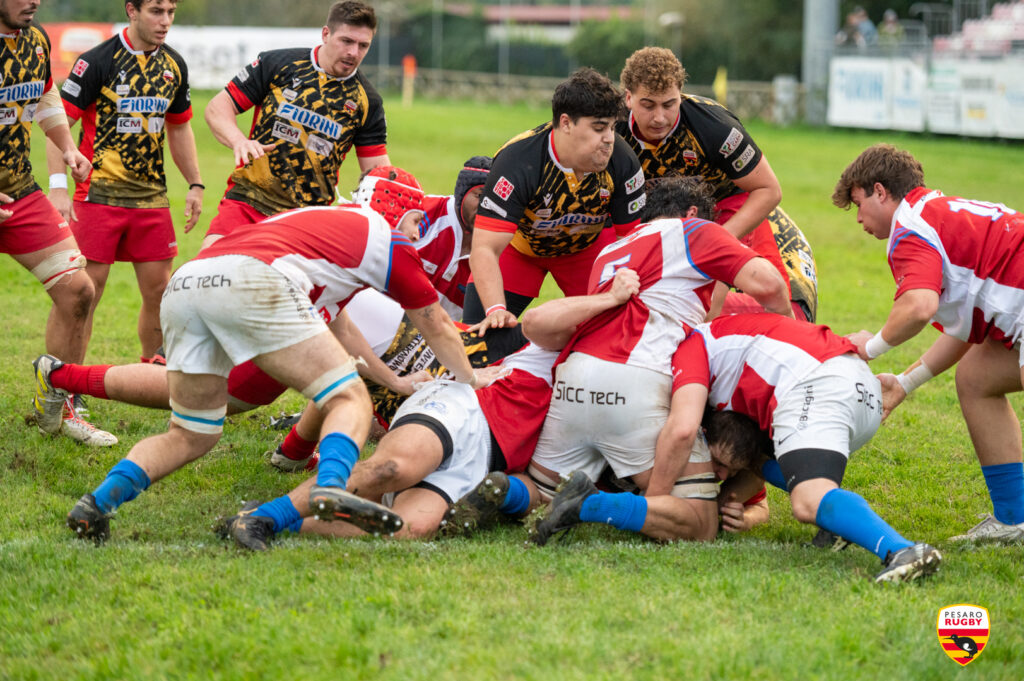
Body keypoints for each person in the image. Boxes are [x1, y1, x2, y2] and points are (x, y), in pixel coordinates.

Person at [64, 168, 491, 543]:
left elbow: (341, 327)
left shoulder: (330, 224)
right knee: (347, 398)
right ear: (399, 210)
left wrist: (394, 382)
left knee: (192, 433)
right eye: (417, 220)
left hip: (189, 282)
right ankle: (331, 487)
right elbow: (434, 323)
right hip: (253, 281)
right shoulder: (390, 242)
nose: (418, 232)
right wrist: (471, 381)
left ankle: (95, 505)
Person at [216, 270, 641, 550]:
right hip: (466, 407)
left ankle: (265, 519)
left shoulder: (632, 386)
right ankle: (271, 513)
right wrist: (610, 299)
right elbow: (537, 321)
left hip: (489, 458)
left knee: (408, 528)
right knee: (392, 469)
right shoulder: (576, 336)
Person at [525, 175, 791, 514]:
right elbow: (769, 284)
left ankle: (508, 493)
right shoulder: (693, 230)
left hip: (573, 383)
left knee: (539, 495)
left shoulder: (610, 250)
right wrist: (789, 333)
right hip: (638, 382)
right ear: (693, 213)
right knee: (699, 516)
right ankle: (609, 506)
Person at [833, 143, 1024, 544]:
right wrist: (905, 382)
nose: (859, 220)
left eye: (858, 203)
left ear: (880, 191)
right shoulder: (933, 211)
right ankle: (1014, 519)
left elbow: (919, 306)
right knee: (977, 377)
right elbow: (964, 331)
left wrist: (870, 348)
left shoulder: (910, 229)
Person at [663, 313, 941, 582]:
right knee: (756, 455)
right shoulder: (726, 341)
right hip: (859, 389)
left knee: (808, 500)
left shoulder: (693, 345)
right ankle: (840, 522)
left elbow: (684, 430)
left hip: (821, 385)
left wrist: (655, 504)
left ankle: (903, 549)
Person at [47, 0, 202, 368]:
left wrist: (195, 184)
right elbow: (56, 125)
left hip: (151, 200)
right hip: (98, 195)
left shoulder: (173, 64)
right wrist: (58, 188)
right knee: (84, 295)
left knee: (161, 293)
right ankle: (64, 382)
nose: (165, 21)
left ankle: (151, 375)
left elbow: (179, 127)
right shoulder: (96, 61)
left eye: (170, 12)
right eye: (156, 11)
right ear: (132, 10)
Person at [618, 47, 817, 322]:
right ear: (628, 98)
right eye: (648, 105)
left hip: (728, 205)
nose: (659, 117)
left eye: (669, 104)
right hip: (657, 213)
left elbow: (768, 190)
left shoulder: (712, 126)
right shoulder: (610, 129)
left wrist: (715, 242)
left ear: (681, 95)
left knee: (773, 313)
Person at [465, 67, 646, 334]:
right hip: (522, 251)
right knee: (481, 336)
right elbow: (485, 249)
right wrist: (495, 310)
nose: (609, 138)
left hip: (587, 250)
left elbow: (635, 242)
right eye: (598, 128)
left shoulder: (623, 160)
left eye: (611, 127)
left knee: (615, 334)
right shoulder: (518, 160)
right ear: (565, 123)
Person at [3, 0, 107, 445]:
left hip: (19, 190)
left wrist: (66, 147)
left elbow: (44, 97)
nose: (34, 1)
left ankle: (58, 406)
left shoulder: (35, 40)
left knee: (78, 290)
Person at [202, 1, 387, 247]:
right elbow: (218, 107)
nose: (354, 52)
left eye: (363, 45)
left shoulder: (367, 101)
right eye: (347, 41)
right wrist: (238, 140)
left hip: (306, 219)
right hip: (249, 199)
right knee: (210, 262)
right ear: (326, 34)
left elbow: (375, 171)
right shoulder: (279, 64)